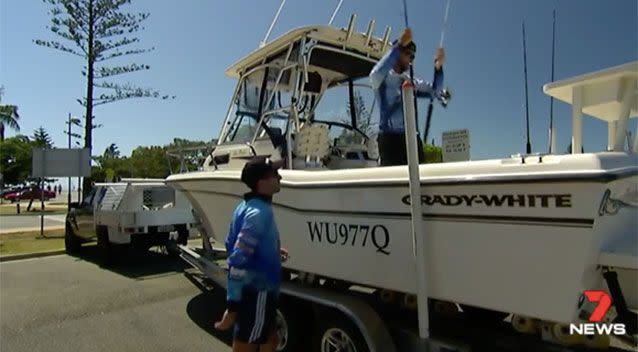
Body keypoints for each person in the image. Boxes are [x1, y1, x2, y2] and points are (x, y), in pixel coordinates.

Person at [214, 157, 289, 352]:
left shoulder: (245, 206)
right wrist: (232, 305)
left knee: (269, 338)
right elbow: (238, 258)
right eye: (274, 173)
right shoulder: (259, 213)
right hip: (258, 292)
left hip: (260, 291)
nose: (279, 176)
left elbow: (232, 242)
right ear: (261, 183)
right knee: (246, 344)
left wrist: (270, 251)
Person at [369, 28, 446, 166]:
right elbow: (374, 74)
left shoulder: (412, 81)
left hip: (412, 139)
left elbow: (436, 91)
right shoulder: (382, 79)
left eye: (413, 56)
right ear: (397, 53)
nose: (410, 59)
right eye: (408, 54)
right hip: (390, 141)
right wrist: (398, 45)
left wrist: (438, 68)